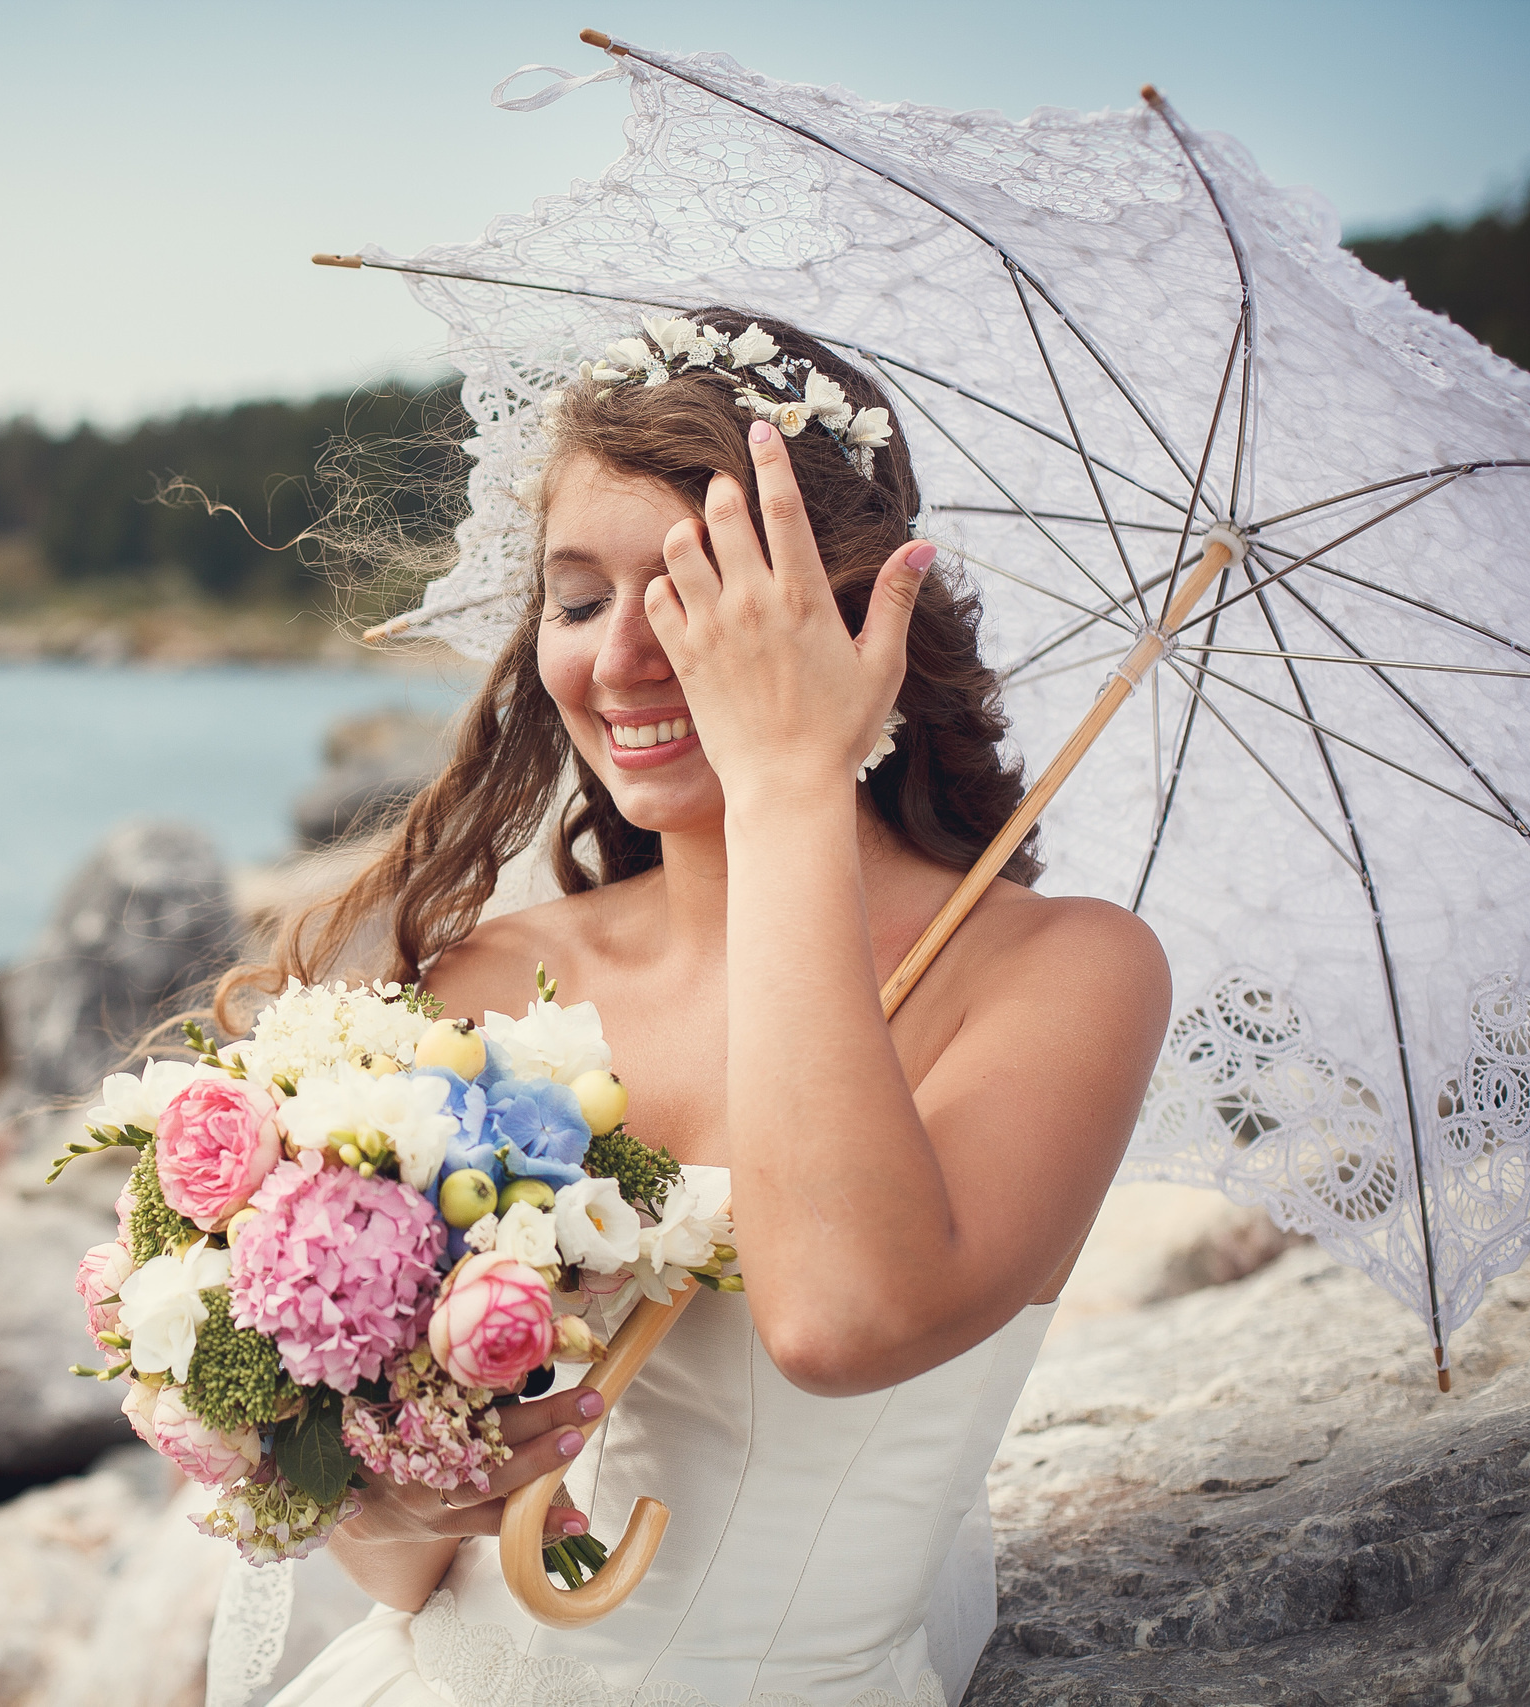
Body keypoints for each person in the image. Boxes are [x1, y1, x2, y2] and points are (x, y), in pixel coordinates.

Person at [247, 310, 1170, 1707]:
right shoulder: (490, 979)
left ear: (860, 618)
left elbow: (842, 1321)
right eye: (575, 599)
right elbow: (392, 1564)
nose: (619, 659)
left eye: (692, 593)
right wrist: (424, 1484)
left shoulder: (1064, 973)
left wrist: (793, 780)